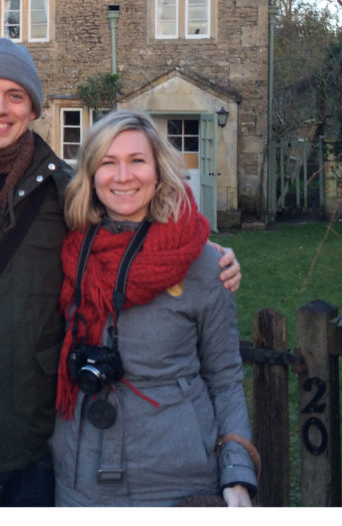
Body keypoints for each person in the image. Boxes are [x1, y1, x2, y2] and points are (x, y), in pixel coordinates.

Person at [0, 38, 242, 507]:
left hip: (37, 452)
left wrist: (205, 253)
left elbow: (134, 225)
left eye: (15, 95)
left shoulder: (66, 192)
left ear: (34, 108)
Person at [51, 109, 257, 506]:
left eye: (137, 161)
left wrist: (236, 473)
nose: (123, 176)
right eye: (108, 163)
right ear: (92, 175)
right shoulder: (67, 250)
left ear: (159, 171)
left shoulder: (200, 263)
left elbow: (225, 375)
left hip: (175, 477)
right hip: (80, 473)